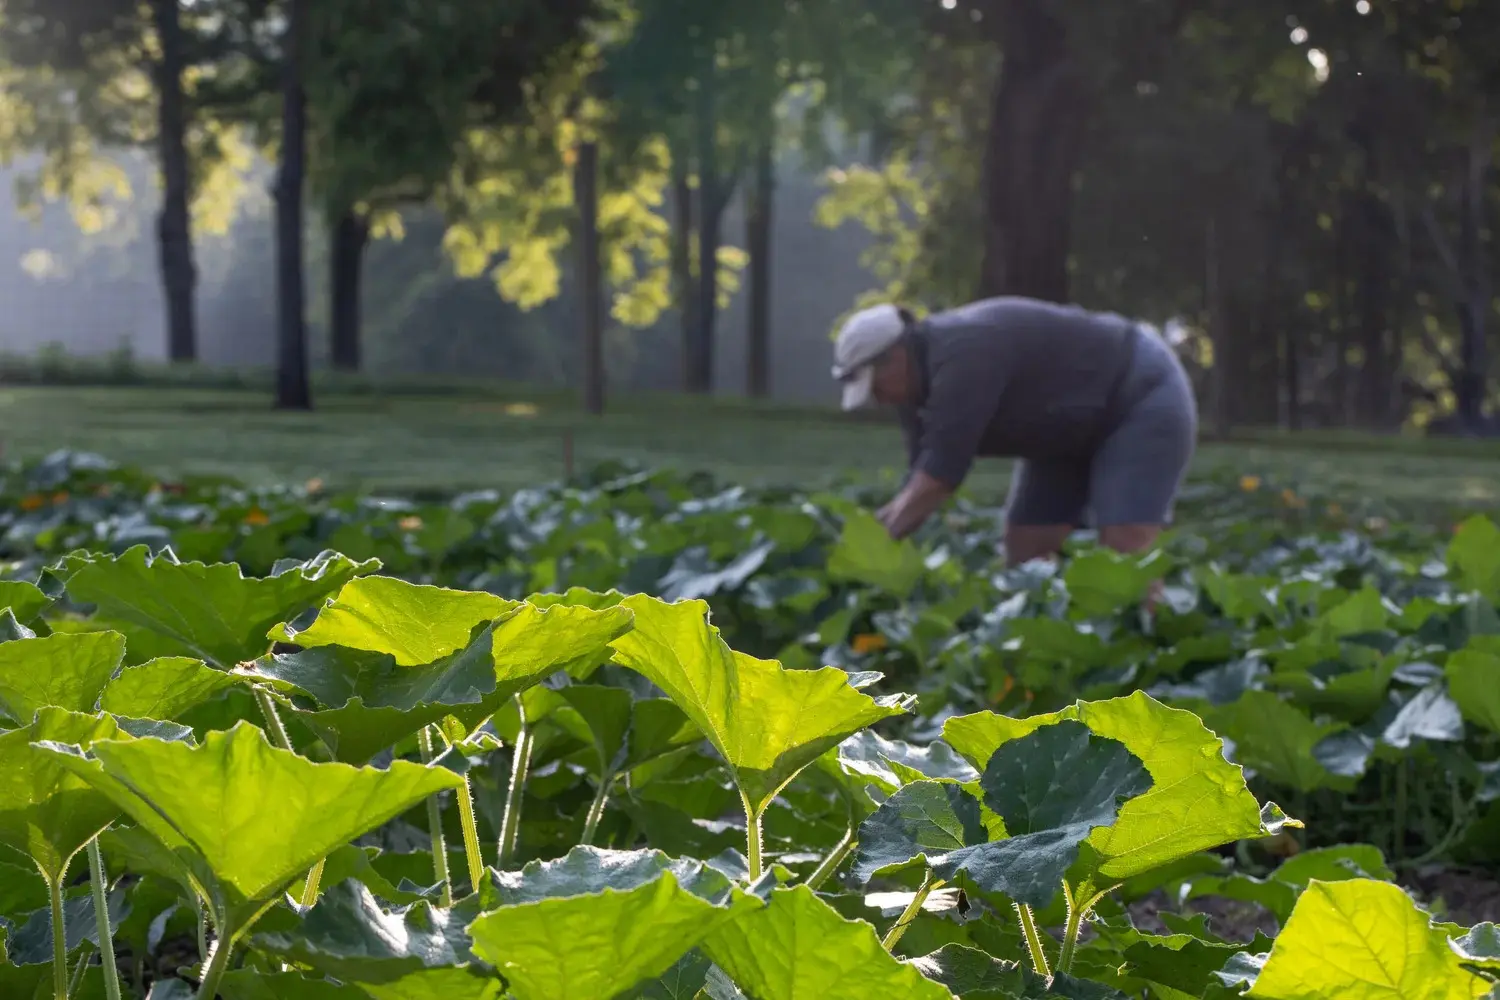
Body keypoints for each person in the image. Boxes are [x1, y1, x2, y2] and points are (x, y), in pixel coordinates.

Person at [830, 296, 1197, 566]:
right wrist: (872, 534)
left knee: (1126, 546)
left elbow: (939, 478)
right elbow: (917, 480)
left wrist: (865, 551)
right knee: (1025, 550)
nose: (877, 400)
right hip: (1066, 430)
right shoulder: (913, 391)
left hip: (1136, 395)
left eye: (874, 386)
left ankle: (1148, 651)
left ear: (895, 357)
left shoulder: (963, 356)